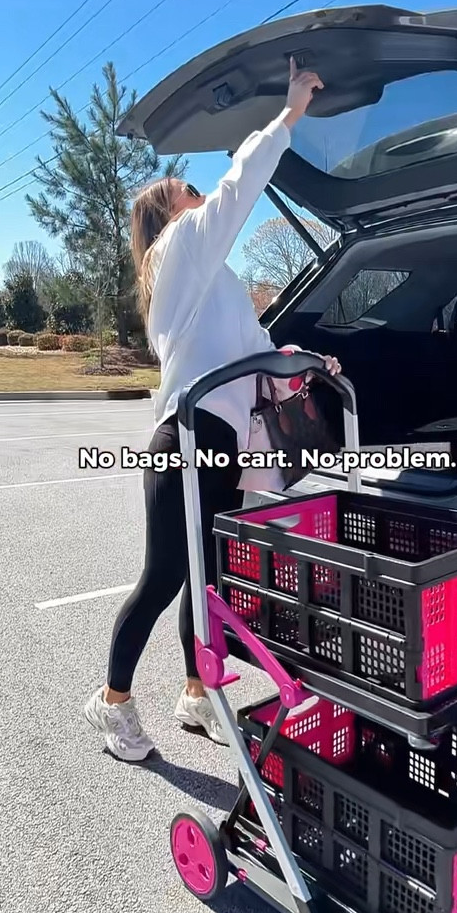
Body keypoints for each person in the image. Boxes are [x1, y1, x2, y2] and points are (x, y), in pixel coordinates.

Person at [84, 58, 341, 763]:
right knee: (165, 575)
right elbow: (237, 191)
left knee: (207, 573)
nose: (199, 192)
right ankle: (111, 704)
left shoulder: (213, 276)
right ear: (167, 213)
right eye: (186, 188)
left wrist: (307, 366)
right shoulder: (177, 248)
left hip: (221, 437)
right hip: (185, 440)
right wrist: (289, 113)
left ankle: (197, 692)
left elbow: (257, 355)